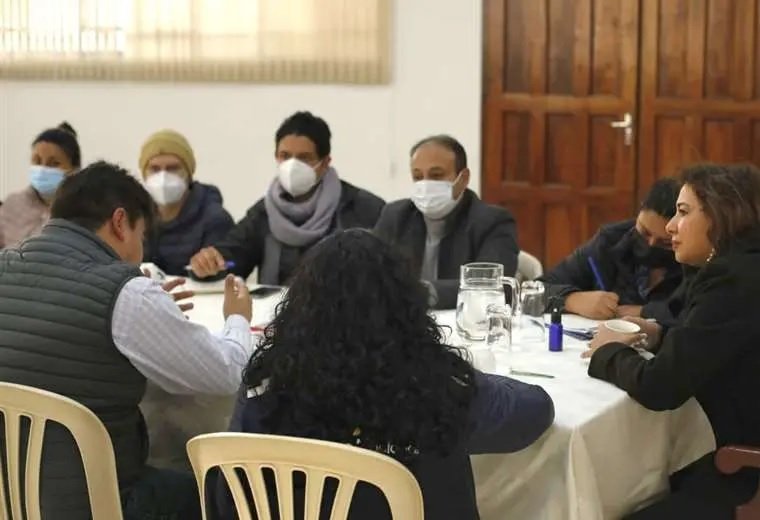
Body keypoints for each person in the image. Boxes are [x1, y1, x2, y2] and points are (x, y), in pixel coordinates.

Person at [216, 229, 554, 520]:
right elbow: (533, 411)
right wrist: (464, 372)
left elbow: (230, 481)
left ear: (300, 304)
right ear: (404, 303)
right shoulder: (430, 383)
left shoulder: (266, 380)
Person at [0, 161, 254, 520]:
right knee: (229, 495)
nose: (140, 250)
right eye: (141, 236)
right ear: (120, 222)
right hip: (97, 502)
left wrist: (152, 307)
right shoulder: (125, 293)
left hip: (10, 496)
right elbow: (227, 372)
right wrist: (238, 318)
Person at [584, 163, 760, 519]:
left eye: (683, 212)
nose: (669, 226)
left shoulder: (734, 280)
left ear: (720, 215)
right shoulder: (735, 266)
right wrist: (658, 333)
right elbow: (717, 344)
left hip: (737, 467)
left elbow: (660, 387)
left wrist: (607, 351)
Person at [189, 111, 385, 284]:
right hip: (275, 315)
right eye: (285, 156)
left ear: (325, 163)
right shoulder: (265, 211)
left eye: (304, 158)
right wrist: (210, 263)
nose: (292, 165)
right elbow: (234, 256)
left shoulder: (362, 208)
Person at [374, 135, 519, 309]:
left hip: (465, 324)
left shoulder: (492, 221)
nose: (426, 185)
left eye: (436, 175)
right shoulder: (396, 215)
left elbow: (493, 286)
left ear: (463, 179)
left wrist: (423, 292)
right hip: (402, 323)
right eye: (418, 177)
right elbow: (371, 273)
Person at [540, 177, 682, 321]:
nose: (650, 244)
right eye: (644, 232)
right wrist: (572, 300)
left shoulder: (693, 259)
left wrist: (645, 312)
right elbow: (535, 290)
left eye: (665, 242)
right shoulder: (610, 241)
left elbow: (694, 316)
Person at [139, 129, 234, 275]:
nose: (163, 177)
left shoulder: (215, 220)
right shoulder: (134, 217)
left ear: (189, 173)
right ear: (144, 174)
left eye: (173, 168)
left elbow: (224, 273)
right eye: (154, 169)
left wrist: (206, 268)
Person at [0, 121, 81, 248]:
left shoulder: (83, 212)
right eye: (37, 161)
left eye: (54, 163)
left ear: (74, 170)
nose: (42, 168)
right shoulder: (12, 204)